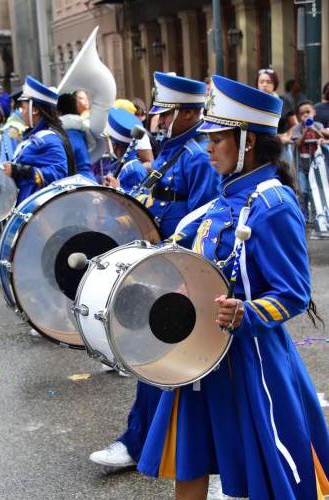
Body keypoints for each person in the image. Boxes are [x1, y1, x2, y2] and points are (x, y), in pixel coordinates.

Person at [136, 74, 329, 500]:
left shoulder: (273, 205)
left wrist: (249, 312)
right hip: (201, 352)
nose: (208, 147)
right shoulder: (222, 200)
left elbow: (294, 293)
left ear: (248, 142)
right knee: (191, 454)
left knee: (272, 465)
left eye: (218, 138)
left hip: (252, 357)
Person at [90, 71, 220, 469]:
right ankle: (149, 441)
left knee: (156, 356)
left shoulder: (198, 156)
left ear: (185, 114)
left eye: (164, 113)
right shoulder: (172, 151)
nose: (156, 121)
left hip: (179, 273)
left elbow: (205, 218)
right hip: (160, 267)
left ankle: (139, 443)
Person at [3, 75, 73, 204]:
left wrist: (20, 170)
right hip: (29, 203)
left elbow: (59, 172)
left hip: (42, 211)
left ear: (34, 110)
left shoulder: (50, 139)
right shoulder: (34, 135)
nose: (21, 112)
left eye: (23, 108)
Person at [291, 100, 326, 222]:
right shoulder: (297, 128)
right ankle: (303, 217)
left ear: (314, 112)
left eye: (308, 112)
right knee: (303, 191)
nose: (305, 115)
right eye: (302, 114)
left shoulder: (319, 126)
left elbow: (323, 138)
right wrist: (306, 130)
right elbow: (297, 143)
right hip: (302, 165)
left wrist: (313, 129)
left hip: (316, 165)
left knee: (314, 191)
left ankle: (317, 218)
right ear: (299, 117)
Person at [102, 107, 147, 192]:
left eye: (107, 141)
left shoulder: (135, 171)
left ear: (114, 145)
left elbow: (137, 202)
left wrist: (117, 190)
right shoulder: (118, 163)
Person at [57, 92, 96, 181]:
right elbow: (92, 145)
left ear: (59, 110)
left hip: (75, 182)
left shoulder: (61, 133)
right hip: (90, 179)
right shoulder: (83, 129)